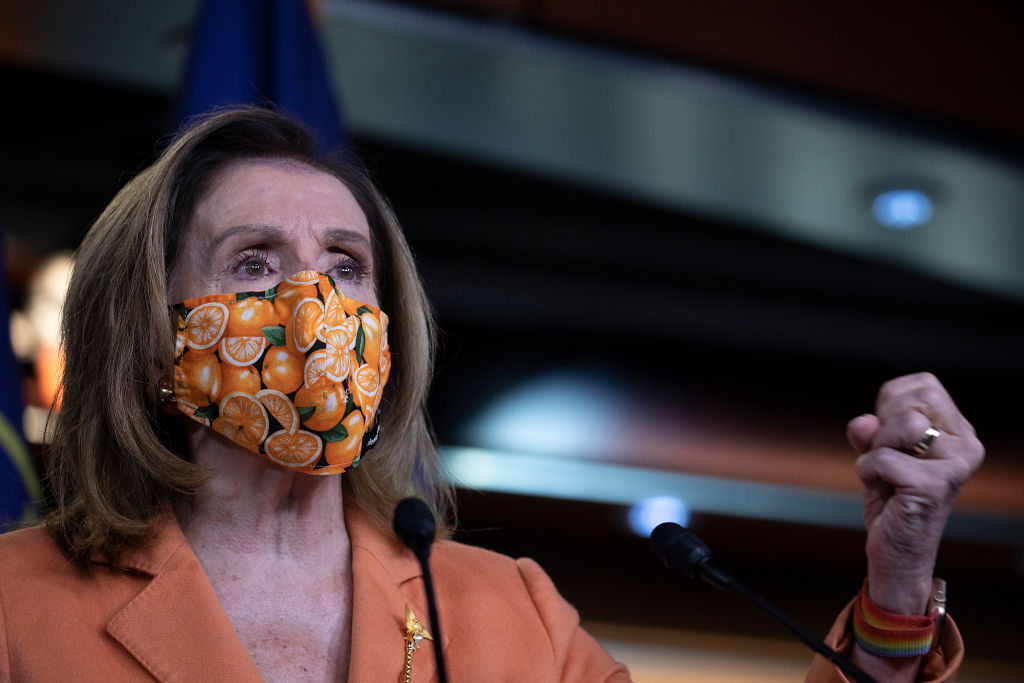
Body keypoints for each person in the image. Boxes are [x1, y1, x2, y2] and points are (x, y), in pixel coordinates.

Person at [0, 107, 983, 682]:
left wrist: (895, 588)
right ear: (153, 324)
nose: (315, 305)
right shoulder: (17, 607)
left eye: (346, 267)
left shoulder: (507, 612)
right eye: (255, 262)